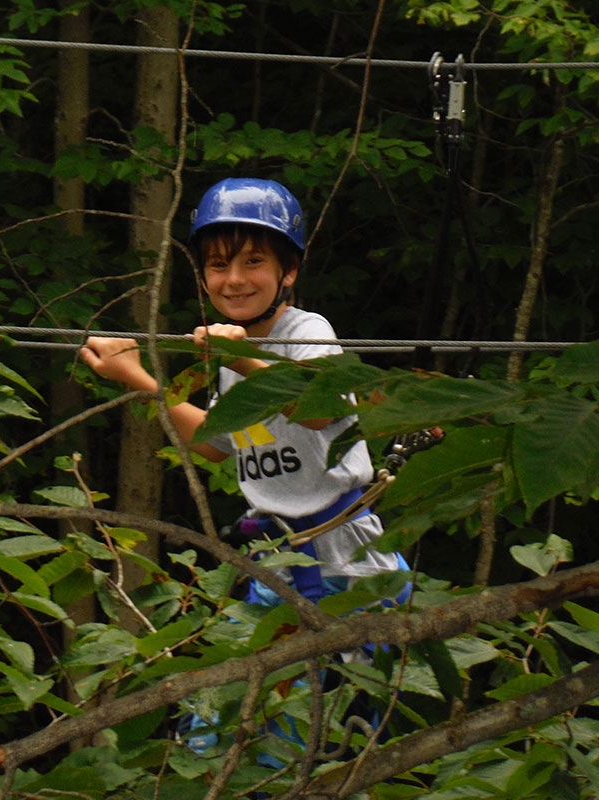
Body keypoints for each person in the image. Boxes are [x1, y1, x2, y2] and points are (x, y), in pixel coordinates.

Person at [80, 177, 407, 758]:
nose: (234, 279)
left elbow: (318, 407)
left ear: (289, 272)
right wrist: (136, 377)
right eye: (218, 264)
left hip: (346, 566)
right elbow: (213, 445)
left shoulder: (307, 333)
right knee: (213, 727)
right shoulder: (236, 353)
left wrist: (243, 358)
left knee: (314, 741)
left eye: (254, 261)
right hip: (274, 564)